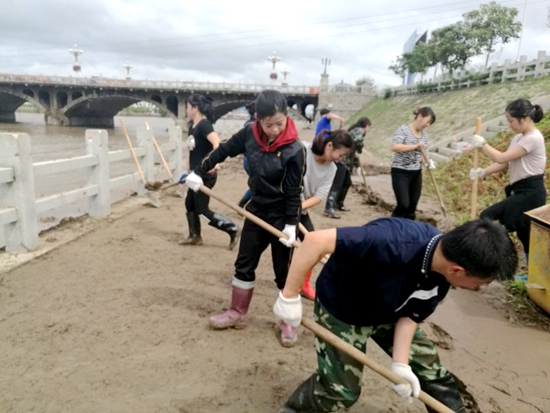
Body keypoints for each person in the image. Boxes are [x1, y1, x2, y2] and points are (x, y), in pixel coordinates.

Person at [273, 218, 517, 412]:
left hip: (390, 311)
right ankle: (295, 410)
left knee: (431, 372)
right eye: (480, 284)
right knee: (341, 393)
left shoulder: (442, 276)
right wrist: (289, 296)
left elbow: (411, 314)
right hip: (344, 310)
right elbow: (315, 240)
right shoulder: (393, 241)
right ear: (457, 270)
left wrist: (400, 364)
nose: (477, 289)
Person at [182, 90, 306, 347]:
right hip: (257, 208)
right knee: (244, 263)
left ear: (287, 116)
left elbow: (294, 192)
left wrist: (292, 225)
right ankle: (237, 312)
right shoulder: (250, 133)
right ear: (258, 118)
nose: (274, 130)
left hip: (282, 214)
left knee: (284, 271)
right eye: (268, 124)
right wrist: (198, 171)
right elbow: (224, 150)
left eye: (279, 123)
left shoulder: (294, 149)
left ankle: (287, 321)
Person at [469, 98, 547, 258]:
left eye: (511, 121)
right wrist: (482, 172)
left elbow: (501, 157)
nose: (509, 125)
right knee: (525, 234)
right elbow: (506, 163)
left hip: (531, 193)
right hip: (519, 191)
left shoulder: (533, 137)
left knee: (488, 216)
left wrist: (483, 144)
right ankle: (531, 268)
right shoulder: (518, 138)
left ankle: (500, 256)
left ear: (523, 119)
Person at [178, 94, 240, 250]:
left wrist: (215, 164)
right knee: (190, 205)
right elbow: (191, 151)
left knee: (202, 210)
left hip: (205, 175)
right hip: (194, 175)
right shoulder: (193, 127)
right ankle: (194, 236)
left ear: (195, 108)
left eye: (188, 107)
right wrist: (186, 171)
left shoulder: (204, 125)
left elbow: (217, 143)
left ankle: (231, 228)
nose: (186, 110)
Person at [299, 129, 355, 300]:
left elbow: (319, 197)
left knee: (314, 245)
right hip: (278, 207)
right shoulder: (302, 150)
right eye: (341, 154)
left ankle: (303, 285)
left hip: (299, 210)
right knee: (261, 241)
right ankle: (243, 276)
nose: (340, 158)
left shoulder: (332, 169)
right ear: (330, 146)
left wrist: (298, 208)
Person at [390, 107, 436, 220]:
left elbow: (423, 155)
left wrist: (428, 162)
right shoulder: (403, 130)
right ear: (420, 116)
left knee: (412, 206)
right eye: (428, 121)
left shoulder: (424, 136)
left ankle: (409, 227)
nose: (428, 125)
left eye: (430, 123)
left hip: (416, 173)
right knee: (403, 204)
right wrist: (415, 146)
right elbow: (395, 147)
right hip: (400, 172)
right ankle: (392, 223)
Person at [324, 117, 372, 218]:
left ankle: (339, 203)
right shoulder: (359, 130)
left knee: (347, 183)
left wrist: (356, 162)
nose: (369, 129)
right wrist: (359, 151)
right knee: (337, 184)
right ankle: (329, 207)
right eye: (369, 127)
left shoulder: (354, 130)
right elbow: (358, 142)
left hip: (346, 162)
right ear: (366, 125)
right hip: (341, 160)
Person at [237, 100, 256, 208]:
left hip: (248, 159)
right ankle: (243, 203)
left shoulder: (248, 124)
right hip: (251, 160)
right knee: (258, 184)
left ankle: (243, 203)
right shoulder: (253, 126)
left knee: (256, 184)